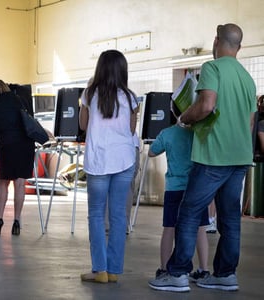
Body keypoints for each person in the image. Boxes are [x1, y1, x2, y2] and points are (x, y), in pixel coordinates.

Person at [149, 23, 256, 292]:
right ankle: (224, 274)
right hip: (240, 157)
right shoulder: (247, 77)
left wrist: (185, 118)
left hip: (213, 157)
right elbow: (251, 122)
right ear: (239, 47)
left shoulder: (213, 68)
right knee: (230, 218)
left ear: (217, 41)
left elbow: (206, 104)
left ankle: (177, 274)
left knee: (189, 212)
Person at [79, 49, 138, 283]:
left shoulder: (89, 94)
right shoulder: (130, 97)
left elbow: (83, 125)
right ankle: (114, 270)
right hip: (124, 161)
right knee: (118, 217)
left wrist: (85, 106)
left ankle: (99, 270)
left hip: (98, 161)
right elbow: (131, 130)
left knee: (95, 214)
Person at [147, 101, 210, 282]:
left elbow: (151, 152)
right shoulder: (199, 133)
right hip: (196, 188)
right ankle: (204, 269)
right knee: (200, 229)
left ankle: (164, 268)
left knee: (169, 228)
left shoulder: (167, 134)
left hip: (174, 189)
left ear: (173, 112)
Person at [0, 79, 35, 236]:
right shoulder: (20, 99)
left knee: (3, 182)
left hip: (6, 144)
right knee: (20, 183)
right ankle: (16, 220)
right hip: (25, 144)